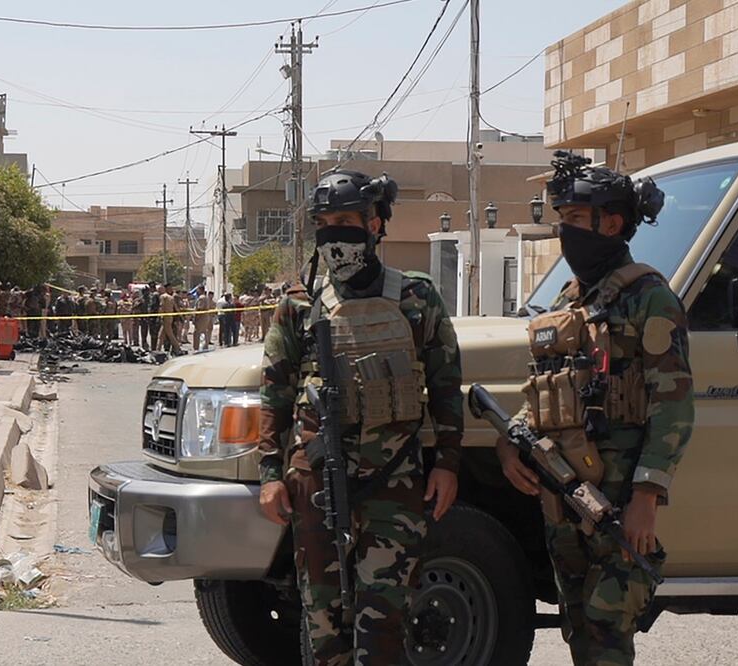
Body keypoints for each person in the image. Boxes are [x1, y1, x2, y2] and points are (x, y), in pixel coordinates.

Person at [257, 170, 463, 665]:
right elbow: (275, 395)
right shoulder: (298, 306)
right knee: (323, 624)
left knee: (385, 623)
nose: (335, 234)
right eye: (324, 223)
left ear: (374, 224)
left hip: (394, 484)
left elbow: (447, 385)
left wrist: (448, 463)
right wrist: (270, 475)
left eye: (345, 220)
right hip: (316, 483)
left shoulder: (416, 298)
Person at [496, 152, 692, 666]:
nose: (566, 231)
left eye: (576, 220)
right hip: (564, 495)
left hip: (618, 498)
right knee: (577, 626)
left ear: (612, 222)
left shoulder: (649, 298)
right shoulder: (569, 299)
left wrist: (647, 494)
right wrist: (510, 441)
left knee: (607, 630)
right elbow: (543, 388)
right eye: (562, 219)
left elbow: (674, 406)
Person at [157, 283, 181, 354]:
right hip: (170, 317)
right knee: (161, 335)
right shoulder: (171, 297)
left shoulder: (163, 297)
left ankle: (178, 348)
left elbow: (162, 307)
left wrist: (159, 316)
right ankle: (157, 350)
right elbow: (176, 308)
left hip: (165, 318)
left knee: (170, 335)